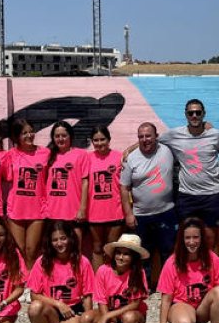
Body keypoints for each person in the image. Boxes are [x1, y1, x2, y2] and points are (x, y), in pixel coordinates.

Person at [157, 99, 219, 253]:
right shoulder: (175, 134)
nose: (194, 116)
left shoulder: (215, 135)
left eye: (198, 112)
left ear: (204, 114)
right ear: (186, 115)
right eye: (191, 113)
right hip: (187, 196)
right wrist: (130, 150)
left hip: (211, 195)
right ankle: (189, 275)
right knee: (186, 240)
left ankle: (210, 275)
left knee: (210, 241)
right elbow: (152, 140)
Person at [152, 217, 219, 323]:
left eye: (196, 237)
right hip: (181, 305)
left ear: (202, 238)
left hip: (203, 308)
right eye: (187, 237)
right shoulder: (172, 262)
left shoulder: (212, 258)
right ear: (181, 239)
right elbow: (165, 300)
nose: (192, 242)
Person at [121, 122, 178, 287]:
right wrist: (128, 214)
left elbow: (188, 135)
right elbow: (124, 188)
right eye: (141, 137)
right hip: (141, 216)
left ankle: (170, 286)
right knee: (143, 254)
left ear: (156, 136)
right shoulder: (130, 159)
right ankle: (144, 288)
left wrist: (206, 126)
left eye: (148, 136)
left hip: (166, 212)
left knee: (168, 252)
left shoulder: (167, 149)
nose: (145, 139)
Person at [27, 220, 95, 323]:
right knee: (34, 307)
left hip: (72, 311)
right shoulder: (42, 261)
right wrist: (59, 304)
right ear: (49, 242)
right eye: (55, 240)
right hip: (51, 311)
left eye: (63, 238)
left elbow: (87, 295)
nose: (59, 243)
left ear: (70, 238)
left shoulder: (82, 261)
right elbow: (34, 294)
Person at [93, 234, 151, 323]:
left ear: (133, 257)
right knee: (86, 319)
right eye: (118, 253)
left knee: (129, 318)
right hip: (110, 311)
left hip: (132, 313)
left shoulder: (138, 272)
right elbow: (101, 301)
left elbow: (135, 304)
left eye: (126, 254)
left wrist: (107, 316)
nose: (120, 257)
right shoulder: (103, 270)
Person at [3, 117, 48, 264]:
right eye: (24, 133)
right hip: (16, 209)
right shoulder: (10, 154)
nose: (29, 135)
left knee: (31, 250)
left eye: (31, 131)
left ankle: (30, 285)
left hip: (37, 209)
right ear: (17, 137)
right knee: (19, 250)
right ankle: (22, 284)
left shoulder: (45, 153)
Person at [86, 125, 124, 269]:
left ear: (109, 140)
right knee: (97, 248)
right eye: (96, 140)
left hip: (115, 210)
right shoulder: (87, 158)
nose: (99, 143)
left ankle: (111, 281)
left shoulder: (119, 157)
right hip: (94, 212)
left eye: (102, 139)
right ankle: (99, 283)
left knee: (112, 248)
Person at [43, 121, 90, 237]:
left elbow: (85, 182)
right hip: (52, 212)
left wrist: (82, 208)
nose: (60, 139)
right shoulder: (48, 156)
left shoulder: (81, 154)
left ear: (71, 136)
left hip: (73, 212)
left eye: (64, 135)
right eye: (57, 136)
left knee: (75, 251)